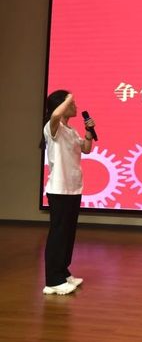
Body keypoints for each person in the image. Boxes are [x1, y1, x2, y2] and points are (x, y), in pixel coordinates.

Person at [41, 90, 95, 295]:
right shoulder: (52, 127)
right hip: (59, 189)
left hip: (73, 188)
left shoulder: (70, 130)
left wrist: (89, 132)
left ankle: (63, 272)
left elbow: (86, 149)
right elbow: (55, 114)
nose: (75, 106)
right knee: (58, 234)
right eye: (71, 103)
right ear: (61, 105)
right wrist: (69, 96)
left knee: (68, 234)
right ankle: (53, 281)